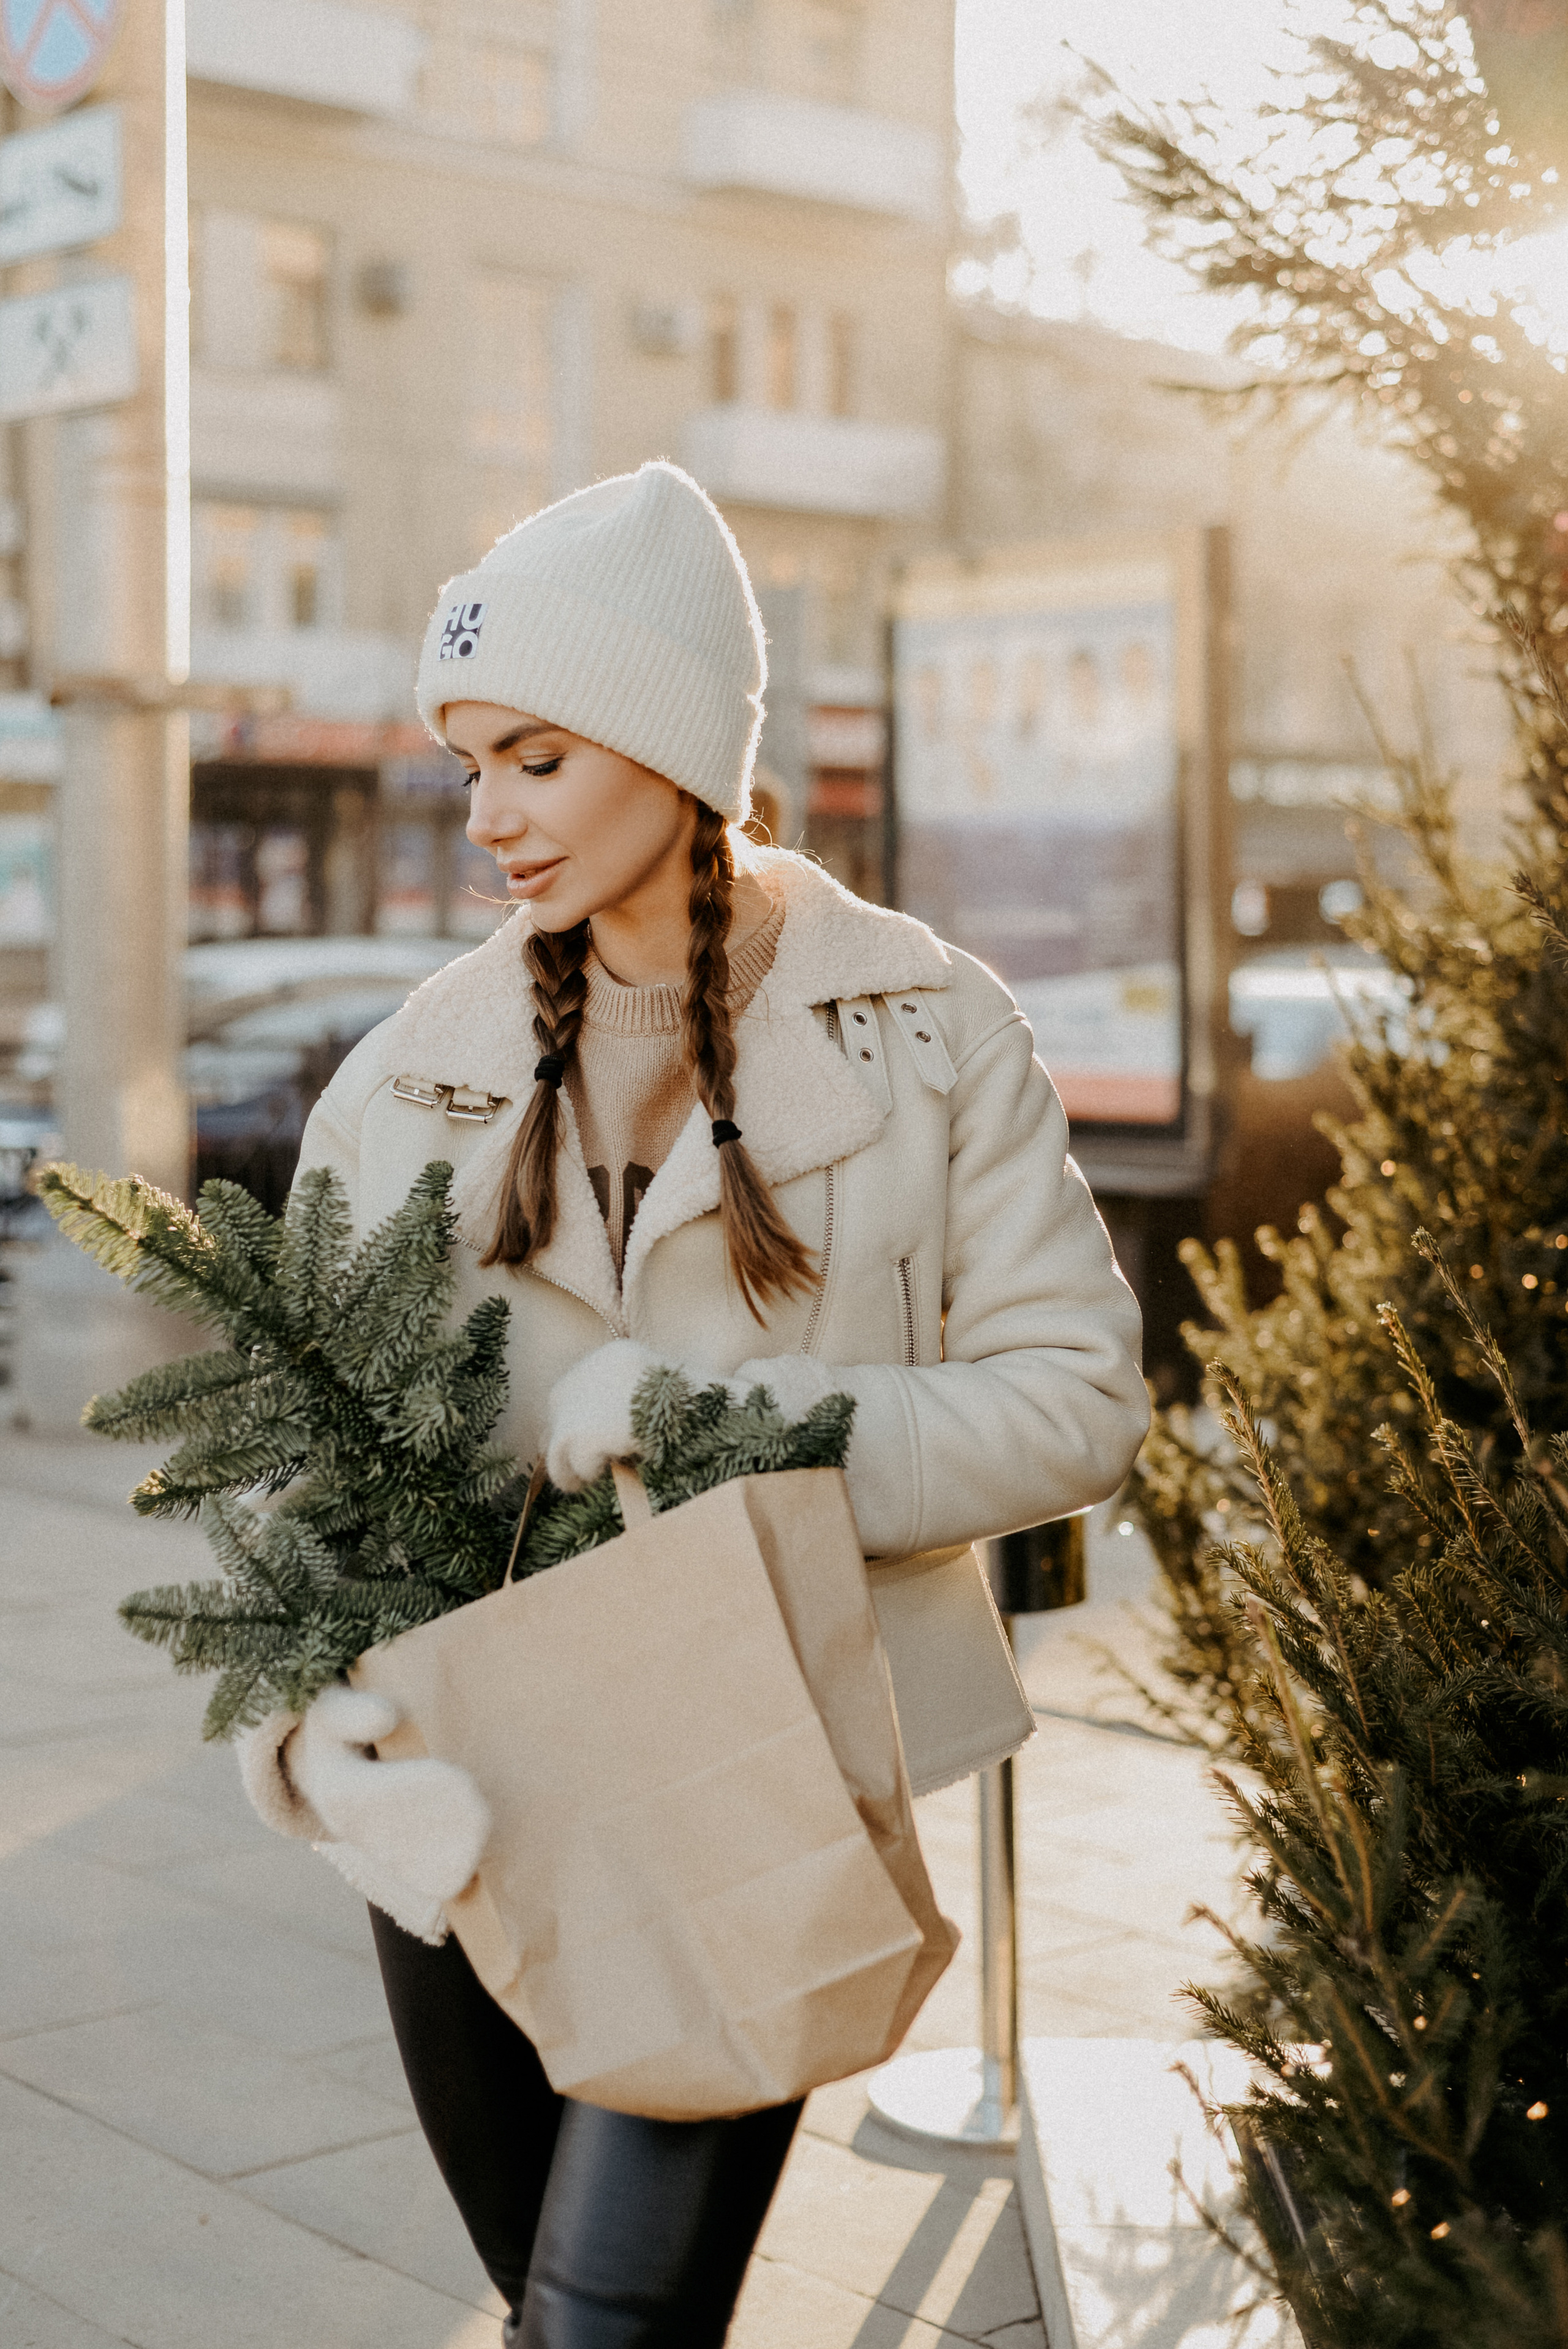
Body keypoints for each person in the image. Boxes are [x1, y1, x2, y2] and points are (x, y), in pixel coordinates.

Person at [238, 461, 1150, 2347]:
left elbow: (1075, 1402)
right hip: (467, 1782)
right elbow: (284, 1445)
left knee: (608, 2321)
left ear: (672, 749)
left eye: (538, 758)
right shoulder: (411, 1075)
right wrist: (299, 1725)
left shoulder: (928, 1026)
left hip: (764, 1761)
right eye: (468, 761)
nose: (486, 815)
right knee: (536, 2290)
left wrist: (731, 1431)